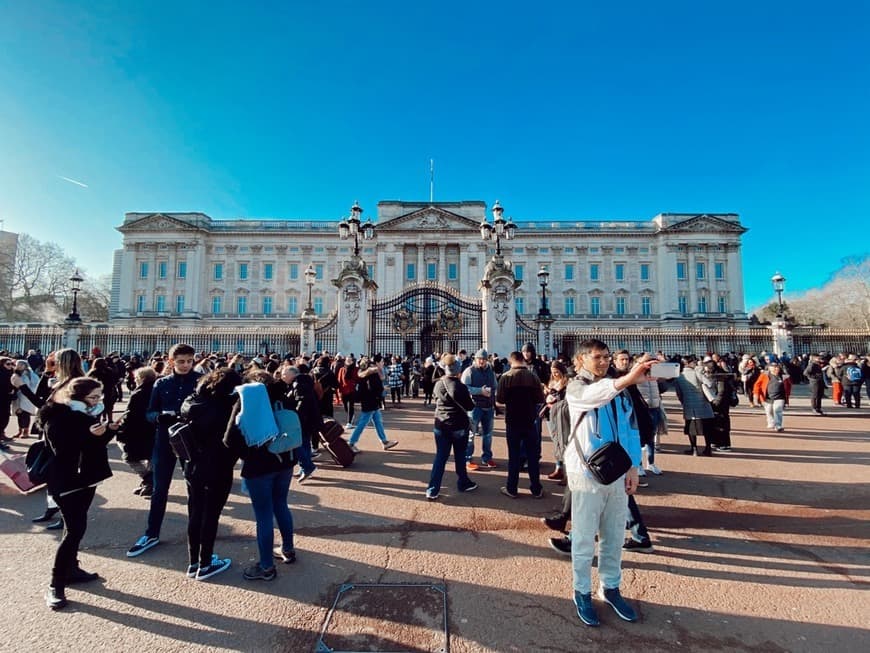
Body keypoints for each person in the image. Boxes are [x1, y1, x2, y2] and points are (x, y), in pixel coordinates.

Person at [564, 339, 653, 627]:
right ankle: (581, 591)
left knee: (614, 534)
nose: (603, 362)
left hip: (616, 471)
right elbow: (595, 396)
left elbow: (630, 430)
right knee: (584, 536)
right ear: (581, 361)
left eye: (606, 357)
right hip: (586, 473)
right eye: (596, 357)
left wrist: (634, 468)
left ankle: (611, 586)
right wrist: (627, 379)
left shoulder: (620, 390)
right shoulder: (576, 387)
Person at [39, 377, 118, 610]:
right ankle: (56, 585)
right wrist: (92, 435)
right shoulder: (59, 416)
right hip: (67, 481)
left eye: (98, 397)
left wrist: (107, 432)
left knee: (74, 528)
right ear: (78, 397)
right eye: (93, 397)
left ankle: (71, 571)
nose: (97, 401)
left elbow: (94, 446)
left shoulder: (84, 416)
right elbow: (63, 451)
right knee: (74, 531)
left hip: (85, 478)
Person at [127, 343, 201, 557]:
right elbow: (149, 413)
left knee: (193, 488)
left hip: (189, 440)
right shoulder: (160, 384)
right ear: (171, 362)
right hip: (163, 440)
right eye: (181, 361)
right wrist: (160, 417)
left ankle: (195, 535)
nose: (186, 365)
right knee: (160, 488)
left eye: (189, 361)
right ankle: (151, 533)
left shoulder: (199, 381)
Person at [223, 371, 296, 581]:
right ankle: (288, 549)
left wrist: (248, 453)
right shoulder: (283, 395)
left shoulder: (247, 400)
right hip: (285, 459)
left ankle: (266, 566)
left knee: (263, 515)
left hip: (259, 465)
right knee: (281, 504)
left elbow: (229, 439)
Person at [180, 367, 241, 580]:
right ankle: (205, 563)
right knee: (211, 515)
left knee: (195, 512)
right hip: (218, 466)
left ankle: (193, 561)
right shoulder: (227, 407)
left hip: (193, 465)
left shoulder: (192, 402)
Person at [425, 353, 479, 500]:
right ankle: (463, 482)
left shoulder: (439, 384)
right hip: (458, 426)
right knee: (460, 456)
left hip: (441, 425)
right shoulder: (460, 386)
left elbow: (437, 398)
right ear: (458, 370)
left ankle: (432, 489)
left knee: (440, 458)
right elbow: (469, 406)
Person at [495, 351, 546, 499]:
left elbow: (500, 399)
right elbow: (539, 398)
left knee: (514, 456)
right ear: (523, 360)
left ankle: (512, 488)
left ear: (511, 362)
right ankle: (536, 488)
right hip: (530, 420)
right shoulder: (533, 377)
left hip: (513, 420)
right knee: (532, 455)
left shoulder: (506, 377)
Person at [115, 366, 158, 496]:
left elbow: (130, 414)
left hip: (137, 430)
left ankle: (149, 480)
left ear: (142, 379)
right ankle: (150, 483)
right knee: (150, 457)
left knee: (130, 458)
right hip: (152, 429)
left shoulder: (138, 393)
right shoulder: (156, 390)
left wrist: (122, 429)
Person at [347, 358, 398, 453]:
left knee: (378, 421)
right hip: (372, 401)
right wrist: (383, 390)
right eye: (381, 361)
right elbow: (376, 388)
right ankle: (351, 442)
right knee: (362, 423)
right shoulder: (373, 374)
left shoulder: (362, 374)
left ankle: (384, 441)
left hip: (367, 401)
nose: (382, 363)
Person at [460, 348, 498, 471]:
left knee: (488, 435)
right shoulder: (469, 371)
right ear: (475, 359)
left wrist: (492, 394)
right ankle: (467, 458)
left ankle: (487, 457)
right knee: (471, 434)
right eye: (479, 359)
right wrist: (479, 391)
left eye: (484, 359)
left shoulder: (490, 372)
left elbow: (495, 386)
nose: (482, 361)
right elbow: (464, 388)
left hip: (489, 406)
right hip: (474, 407)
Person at [672, 357, 716, 456]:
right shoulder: (697, 372)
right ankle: (708, 448)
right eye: (694, 362)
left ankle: (694, 449)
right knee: (707, 428)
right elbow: (709, 383)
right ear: (688, 363)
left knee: (691, 429)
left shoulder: (679, 376)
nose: (695, 363)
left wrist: (684, 402)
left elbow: (679, 393)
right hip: (703, 404)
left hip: (689, 405)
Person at [542, 359, 570, 482]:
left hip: (561, 415)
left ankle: (567, 472)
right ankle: (558, 468)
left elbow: (567, 400)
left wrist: (555, 398)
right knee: (556, 442)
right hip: (550, 415)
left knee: (564, 442)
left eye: (557, 372)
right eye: (553, 372)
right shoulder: (552, 382)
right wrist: (546, 393)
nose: (555, 374)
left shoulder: (567, 383)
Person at [753, 361, 792, 432]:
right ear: (769, 368)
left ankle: (778, 425)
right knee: (769, 411)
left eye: (777, 367)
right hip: (767, 397)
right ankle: (771, 422)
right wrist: (756, 395)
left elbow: (789, 386)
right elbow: (757, 385)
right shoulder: (764, 375)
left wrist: (787, 395)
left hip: (780, 397)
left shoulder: (784, 376)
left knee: (777, 410)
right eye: (774, 367)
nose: (776, 369)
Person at [336, 356, 359, 428]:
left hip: (352, 389)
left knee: (350, 406)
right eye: (347, 360)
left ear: (352, 361)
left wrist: (355, 384)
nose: (348, 361)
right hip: (343, 389)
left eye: (350, 360)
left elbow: (358, 378)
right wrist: (339, 389)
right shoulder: (342, 369)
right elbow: (339, 379)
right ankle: (350, 415)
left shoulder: (355, 369)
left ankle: (349, 422)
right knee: (345, 405)